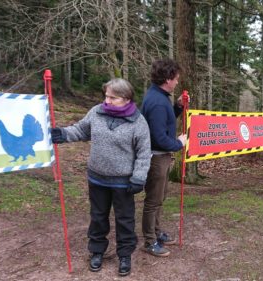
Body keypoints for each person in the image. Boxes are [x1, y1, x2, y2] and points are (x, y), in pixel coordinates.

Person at [51, 78, 151, 276]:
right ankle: (97, 251)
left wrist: (139, 177)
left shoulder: (138, 122)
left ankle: (124, 254)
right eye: (106, 96)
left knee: (124, 219)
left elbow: (143, 152)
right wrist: (62, 134)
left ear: (126, 98)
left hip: (124, 183)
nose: (107, 100)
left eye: (113, 97)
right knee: (98, 217)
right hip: (97, 179)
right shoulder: (96, 112)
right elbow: (80, 130)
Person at [140, 59, 187, 257]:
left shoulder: (160, 97)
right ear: (167, 79)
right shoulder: (158, 102)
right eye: (175, 79)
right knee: (153, 200)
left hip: (161, 157)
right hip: (156, 158)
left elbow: (164, 123)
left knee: (159, 198)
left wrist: (177, 107)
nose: (177, 82)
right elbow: (158, 137)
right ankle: (150, 241)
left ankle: (157, 233)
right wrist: (179, 143)